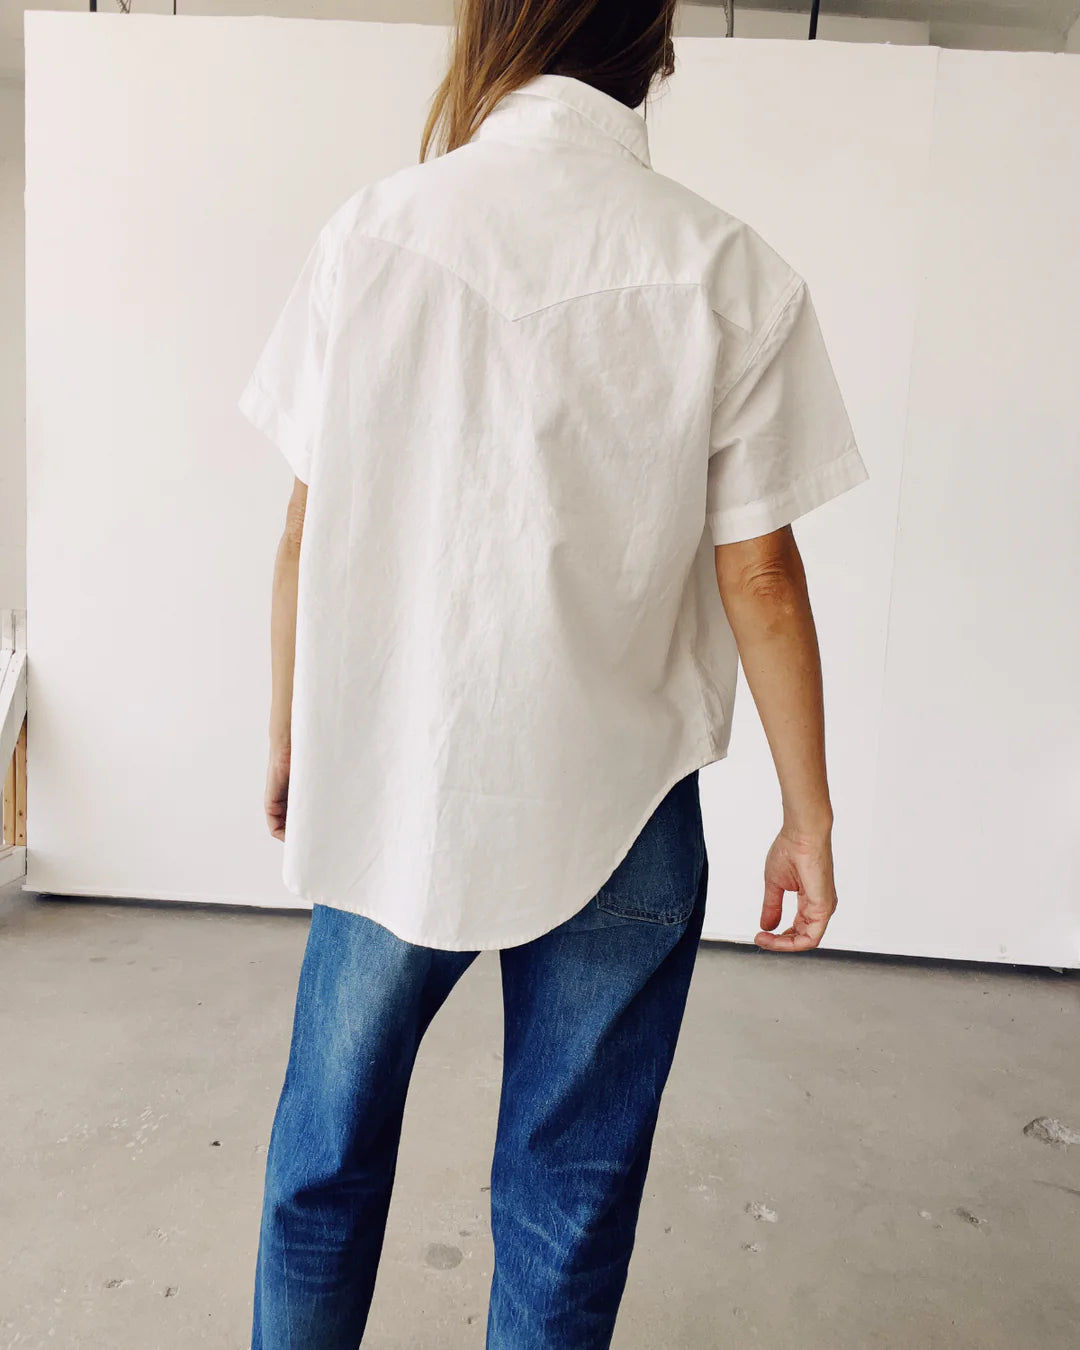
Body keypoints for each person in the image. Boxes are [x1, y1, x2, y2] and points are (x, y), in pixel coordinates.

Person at [237, 1, 870, 1345]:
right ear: (653, 46)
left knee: (321, 1169)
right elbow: (759, 575)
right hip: (624, 804)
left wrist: (293, 726)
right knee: (565, 1202)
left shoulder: (375, 234)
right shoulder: (727, 269)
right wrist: (806, 819)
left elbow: (307, 527)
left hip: (401, 770)